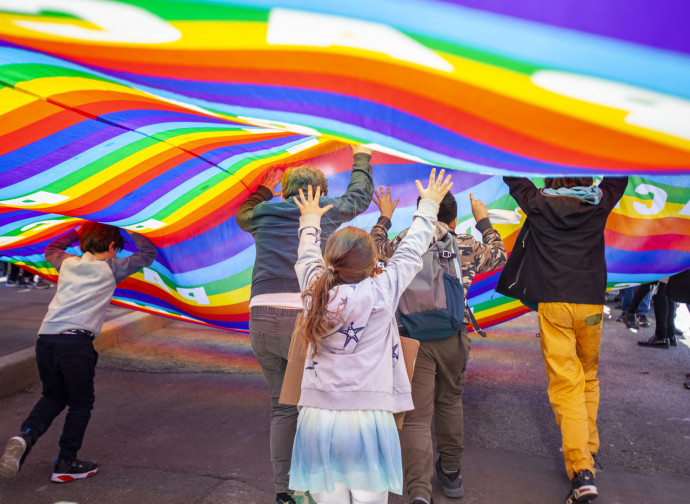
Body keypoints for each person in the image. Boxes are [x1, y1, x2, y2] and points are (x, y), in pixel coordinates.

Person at [288, 169, 453, 504]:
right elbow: (410, 251)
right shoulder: (382, 292)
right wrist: (429, 207)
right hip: (368, 418)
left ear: (329, 260)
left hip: (317, 419)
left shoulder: (314, 288)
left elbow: (306, 255)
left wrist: (308, 219)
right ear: (372, 263)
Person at [236, 146, 375, 504]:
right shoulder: (326, 211)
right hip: (304, 318)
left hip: (261, 316)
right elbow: (359, 198)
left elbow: (243, 214)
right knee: (314, 406)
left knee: (282, 408)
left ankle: (284, 492)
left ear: (285, 191)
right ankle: (315, 489)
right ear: (321, 193)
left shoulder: (264, 213)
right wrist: (361, 156)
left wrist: (263, 190)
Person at [496, 175, 628, 504]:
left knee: (565, 385)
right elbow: (619, 176)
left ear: (553, 178)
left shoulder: (538, 203)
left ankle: (581, 470)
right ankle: (587, 449)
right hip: (591, 305)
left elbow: (512, 175)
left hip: (553, 304)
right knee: (588, 377)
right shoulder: (598, 202)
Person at [370, 187, 507, 504]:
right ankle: (451, 472)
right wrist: (484, 222)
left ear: (422, 213)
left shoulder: (405, 241)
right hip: (452, 337)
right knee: (449, 403)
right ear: (455, 219)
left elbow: (374, 248)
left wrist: (385, 218)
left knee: (416, 416)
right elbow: (498, 254)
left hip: (411, 337)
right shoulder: (466, 243)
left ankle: (418, 491)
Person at [0, 222, 157, 482]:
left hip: (46, 340)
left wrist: (79, 228)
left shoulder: (67, 262)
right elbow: (148, 254)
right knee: (81, 403)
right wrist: (131, 226)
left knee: (53, 396)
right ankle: (66, 462)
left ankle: (25, 436)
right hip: (76, 344)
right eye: (116, 249)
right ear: (110, 247)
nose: (117, 254)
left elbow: (52, 248)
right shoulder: (112, 268)